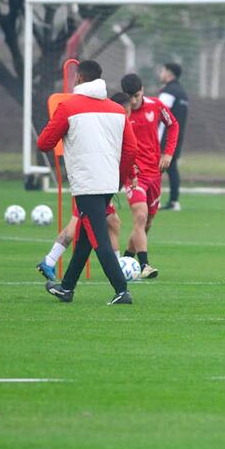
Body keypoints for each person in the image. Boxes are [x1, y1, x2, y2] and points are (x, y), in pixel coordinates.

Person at [38, 60, 137, 305]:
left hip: (87, 183)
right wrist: (119, 179)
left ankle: (121, 291)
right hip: (107, 182)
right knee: (83, 236)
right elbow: (131, 149)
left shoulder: (68, 107)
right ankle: (67, 288)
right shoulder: (116, 109)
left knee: (98, 238)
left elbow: (44, 143)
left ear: (80, 79)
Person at [120, 73, 179, 279]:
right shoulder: (120, 113)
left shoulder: (155, 105)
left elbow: (173, 125)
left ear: (143, 90)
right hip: (133, 176)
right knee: (140, 216)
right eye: (130, 97)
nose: (133, 101)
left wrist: (168, 152)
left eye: (136, 96)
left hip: (155, 174)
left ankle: (126, 259)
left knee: (146, 223)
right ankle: (145, 265)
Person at [157, 62, 188, 211]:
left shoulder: (168, 92)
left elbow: (158, 114)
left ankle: (152, 200)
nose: (161, 73)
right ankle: (174, 201)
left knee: (154, 169)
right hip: (177, 137)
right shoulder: (182, 93)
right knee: (172, 169)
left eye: (162, 70)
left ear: (169, 73)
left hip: (163, 138)